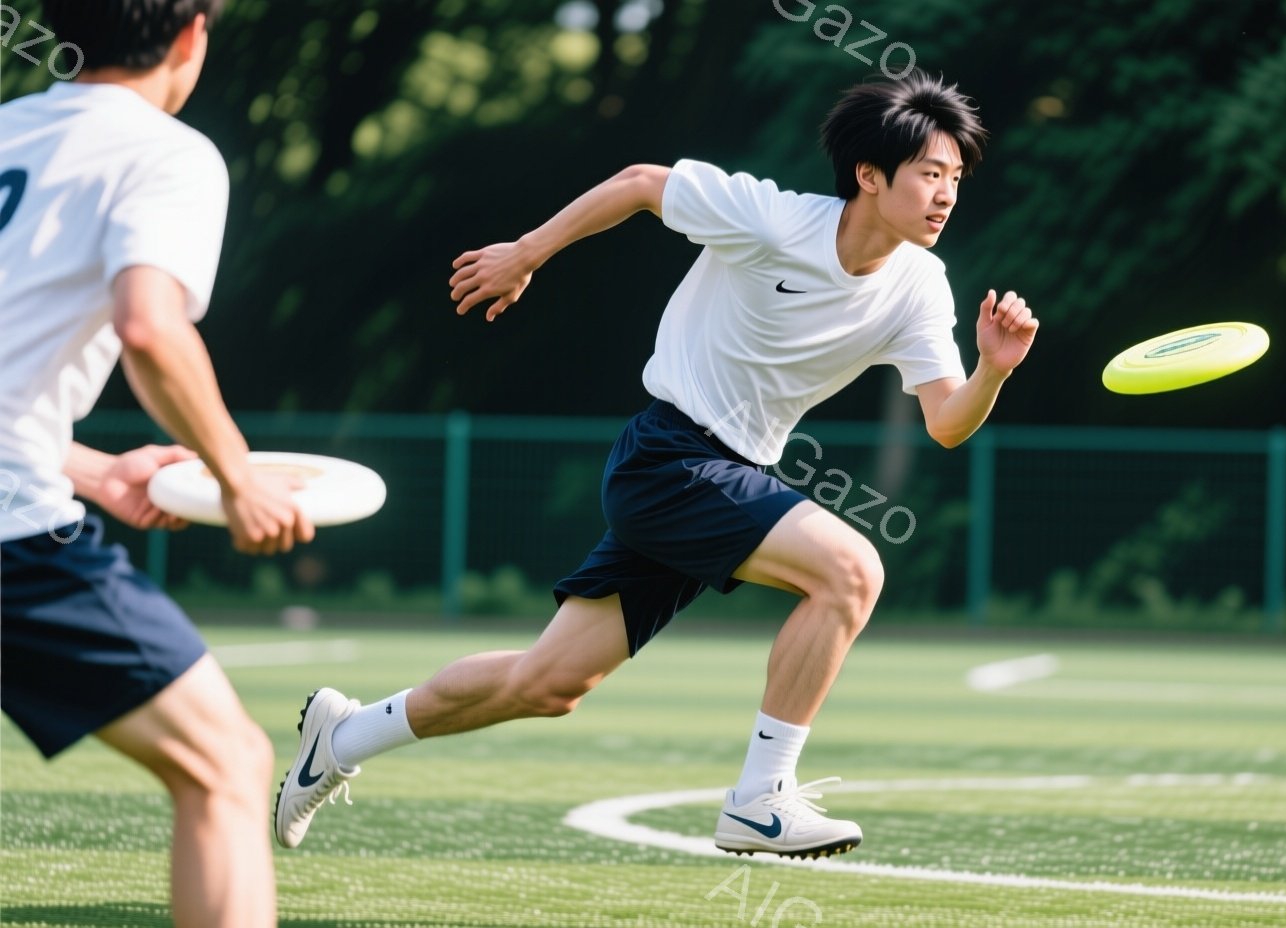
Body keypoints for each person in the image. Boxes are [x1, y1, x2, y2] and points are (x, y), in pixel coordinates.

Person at [275, 73, 1036, 859]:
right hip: (668, 457)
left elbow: (947, 423)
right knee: (851, 571)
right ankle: (760, 798)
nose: (946, 194)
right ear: (870, 176)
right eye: (929, 173)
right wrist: (526, 254)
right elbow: (642, 184)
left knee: (546, 684)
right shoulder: (774, 220)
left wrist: (992, 370)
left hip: (725, 478)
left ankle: (342, 736)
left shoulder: (920, 286)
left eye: (954, 177)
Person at [0, 2, 315, 924]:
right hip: (14, 539)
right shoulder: (165, 153)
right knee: (225, 764)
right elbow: (150, 328)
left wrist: (98, 473)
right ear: (190, 37)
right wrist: (236, 476)